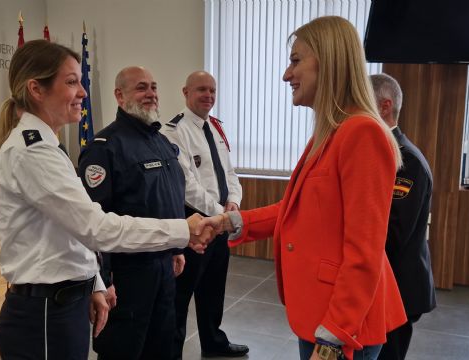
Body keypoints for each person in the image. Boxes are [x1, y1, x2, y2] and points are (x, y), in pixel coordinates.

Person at [0, 40, 216, 359]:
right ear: (36, 90)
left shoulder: (47, 147)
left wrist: (93, 282)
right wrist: (182, 231)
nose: (82, 92)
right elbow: (97, 227)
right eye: (71, 82)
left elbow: (70, 229)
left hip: (66, 302)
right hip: (43, 313)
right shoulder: (33, 152)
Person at [208, 17, 407, 360]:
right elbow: (296, 209)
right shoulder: (332, 131)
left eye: (296, 60)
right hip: (321, 315)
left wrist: (333, 339)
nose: (287, 74)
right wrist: (230, 223)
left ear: (329, 61)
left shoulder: (362, 133)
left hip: (343, 327)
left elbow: (365, 250)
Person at [78, 66, 186, 360]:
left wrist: (175, 248)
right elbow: (93, 221)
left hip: (162, 265)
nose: (151, 93)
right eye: (141, 88)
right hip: (126, 274)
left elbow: (170, 197)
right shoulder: (105, 147)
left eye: (153, 87)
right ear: (119, 95)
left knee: (161, 344)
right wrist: (102, 279)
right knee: (123, 348)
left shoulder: (160, 140)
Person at [162, 71, 248, 358]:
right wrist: (220, 214)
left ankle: (214, 342)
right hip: (197, 223)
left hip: (220, 221)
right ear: (186, 92)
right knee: (182, 293)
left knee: (213, 289)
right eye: (201, 90)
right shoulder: (174, 130)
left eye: (212, 90)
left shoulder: (216, 128)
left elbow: (230, 173)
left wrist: (233, 203)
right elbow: (187, 185)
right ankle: (172, 350)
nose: (208, 96)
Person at [370, 73, 436, 360]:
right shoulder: (382, 151)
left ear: (385, 106)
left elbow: (392, 234)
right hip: (385, 283)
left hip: (399, 288)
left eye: (363, 102)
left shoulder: (405, 160)